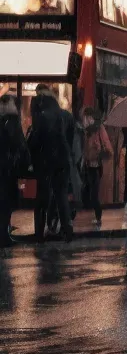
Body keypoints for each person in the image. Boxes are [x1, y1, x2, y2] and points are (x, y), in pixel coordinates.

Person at [27, 85, 74, 242]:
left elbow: (36, 141)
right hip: (62, 161)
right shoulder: (64, 115)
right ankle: (67, 231)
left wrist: (32, 158)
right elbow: (69, 140)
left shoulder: (40, 115)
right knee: (61, 197)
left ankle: (39, 232)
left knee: (42, 198)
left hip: (45, 162)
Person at [1, 94, 30, 248]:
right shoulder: (12, 121)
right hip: (9, 169)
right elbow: (20, 144)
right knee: (7, 203)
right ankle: (4, 235)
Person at [82, 107, 112, 225]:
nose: (85, 119)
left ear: (91, 117)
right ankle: (96, 215)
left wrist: (97, 148)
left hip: (97, 166)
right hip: (87, 165)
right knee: (89, 192)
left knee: (94, 194)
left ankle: (98, 216)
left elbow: (107, 146)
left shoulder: (99, 128)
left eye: (86, 117)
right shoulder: (86, 131)